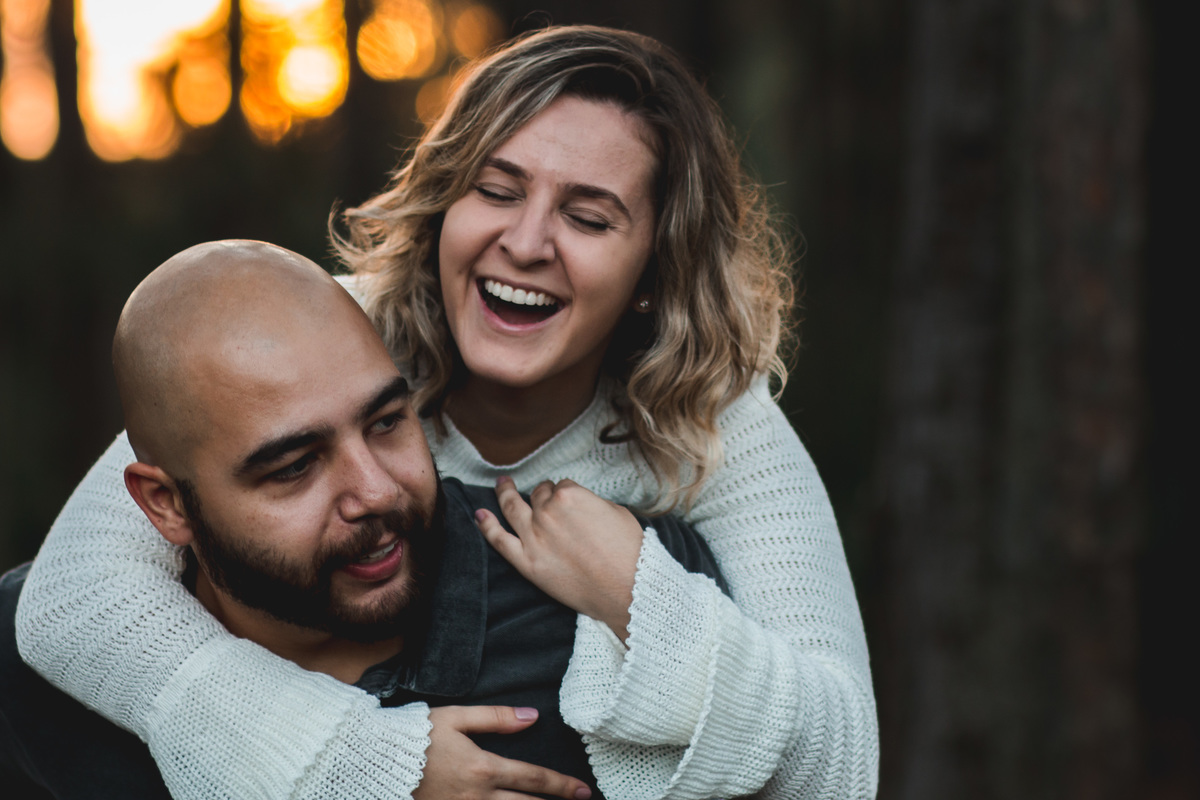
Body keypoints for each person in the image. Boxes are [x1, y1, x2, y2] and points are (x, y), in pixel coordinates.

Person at [17, 25, 878, 800]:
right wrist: (366, 763)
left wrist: (636, 590)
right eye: (497, 190)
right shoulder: (333, 337)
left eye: (587, 216)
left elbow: (843, 763)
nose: (527, 241)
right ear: (443, 208)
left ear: (654, 271)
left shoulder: (712, 418)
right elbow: (73, 601)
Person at [2, 240, 729, 799]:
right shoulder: (34, 672)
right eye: (294, 467)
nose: (374, 492)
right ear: (166, 505)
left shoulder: (623, 594)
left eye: (386, 422)